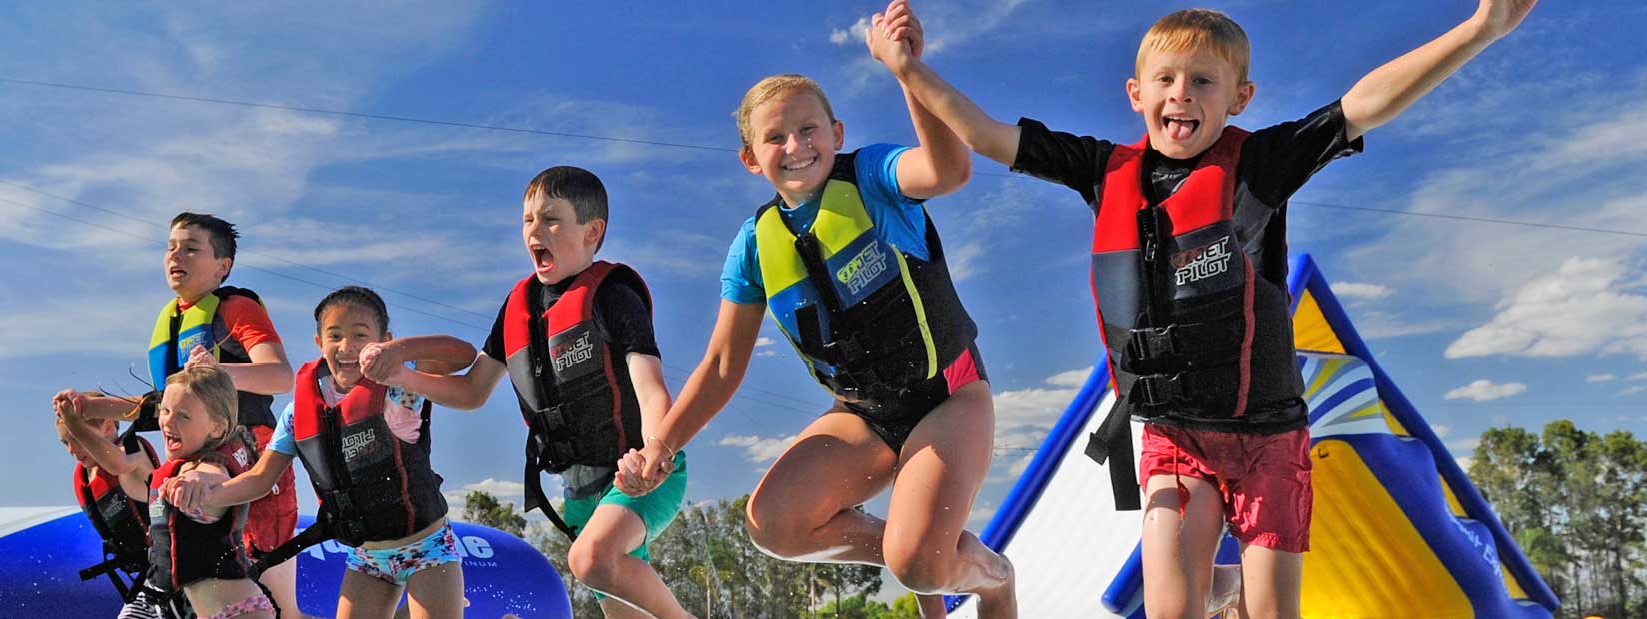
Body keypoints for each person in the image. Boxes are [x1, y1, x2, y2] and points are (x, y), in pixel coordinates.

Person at [865, 0, 1537, 616]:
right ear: (1137, 95)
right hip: (1173, 436)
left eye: (1203, 81)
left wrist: (1480, 29)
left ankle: (1243, 584)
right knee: (1170, 610)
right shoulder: (1104, 171)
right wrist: (907, 67)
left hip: (1267, 437)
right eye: (1165, 79)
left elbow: (1362, 105)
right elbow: (983, 135)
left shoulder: (1261, 165)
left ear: (1240, 98)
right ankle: (1225, 583)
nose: (1181, 92)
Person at [619, 58, 1015, 618]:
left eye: (808, 129)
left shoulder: (875, 179)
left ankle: (992, 578)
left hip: (949, 396)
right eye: (774, 137)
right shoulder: (754, 247)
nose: (795, 145)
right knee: (772, 524)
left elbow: (949, 172)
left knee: (921, 563)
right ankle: (918, 553)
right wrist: (660, 445)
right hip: (863, 415)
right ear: (751, 160)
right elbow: (723, 365)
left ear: (837, 135)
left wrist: (907, 72)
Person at [384, 166, 694, 619]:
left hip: (646, 471)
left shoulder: (612, 295)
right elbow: (472, 390)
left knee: (591, 560)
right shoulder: (517, 308)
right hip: (582, 493)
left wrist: (653, 451)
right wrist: (404, 377)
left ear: (592, 232)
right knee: (612, 590)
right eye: (528, 220)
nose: (535, 231)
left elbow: (650, 388)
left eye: (551, 219)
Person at [167, 287, 473, 619]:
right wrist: (206, 493)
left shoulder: (399, 388)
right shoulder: (299, 412)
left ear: (383, 339)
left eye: (360, 335)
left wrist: (398, 352)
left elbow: (462, 355)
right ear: (318, 343)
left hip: (427, 547)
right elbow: (258, 479)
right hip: (367, 558)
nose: (347, 347)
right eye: (335, 336)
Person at [66, 212, 302, 617]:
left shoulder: (235, 308)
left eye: (192, 248)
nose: (177, 255)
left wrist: (214, 370)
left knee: (280, 607)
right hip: (191, 462)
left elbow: (281, 376)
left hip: (250, 455)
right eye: (171, 246)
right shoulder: (170, 321)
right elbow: (163, 404)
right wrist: (87, 408)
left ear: (222, 267)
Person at [61, 366, 275, 619]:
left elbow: (211, 476)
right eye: (165, 411)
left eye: (183, 416)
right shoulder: (178, 463)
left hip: (236, 612)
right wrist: (82, 408)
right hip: (168, 597)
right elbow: (139, 409)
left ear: (216, 428)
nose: (168, 421)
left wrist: (195, 482)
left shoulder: (208, 466)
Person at [58, 415, 172, 618]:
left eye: (78, 437)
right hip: (151, 579)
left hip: (179, 570)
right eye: (66, 442)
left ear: (109, 426)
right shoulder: (86, 475)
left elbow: (119, 464)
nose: (71, 449)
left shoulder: (131, 447)